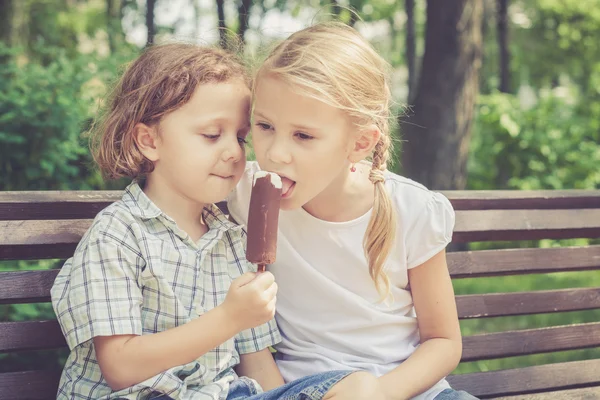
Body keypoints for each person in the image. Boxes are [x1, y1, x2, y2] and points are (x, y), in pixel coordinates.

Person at [50, 42, 383, 400]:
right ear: (149, 140)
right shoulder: (117, 236)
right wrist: (228, 317)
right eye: (212, 135)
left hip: (225, 394)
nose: (235, 152)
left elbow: (256, 366)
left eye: (240, 137)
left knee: (358, 388)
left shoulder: (232, 239)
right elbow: (120, 367)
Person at [227, 22, 478, 400]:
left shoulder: (411, 210)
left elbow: (443, 341)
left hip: (407, 391)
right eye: (264, 125)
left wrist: (378, 394)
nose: (275, 153)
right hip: (304, 390)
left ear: (359, 142)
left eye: (303, 135)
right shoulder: (243, 193)